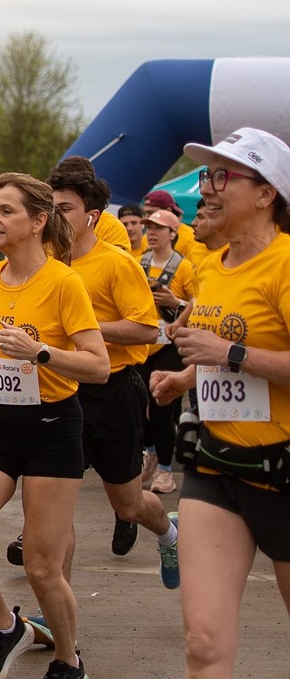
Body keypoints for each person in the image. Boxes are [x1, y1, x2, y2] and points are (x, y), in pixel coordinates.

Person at [0, 172, 109, 679]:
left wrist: (41, 352)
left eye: (6, 211)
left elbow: (98, 365)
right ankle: (7, 627)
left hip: (52, 428)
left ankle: (68, 659)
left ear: (37, 222)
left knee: (41, 567)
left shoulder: (64, 282)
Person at [150, 127, 290, 678]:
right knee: (203, 644)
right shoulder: (211, 264)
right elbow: (218, 349)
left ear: (266, 193)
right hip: (216, 467)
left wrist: (230, 353)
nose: (206, 187)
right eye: (208, 174)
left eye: (223, 175)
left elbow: (230, 349)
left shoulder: (285, 263)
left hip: (283, 472)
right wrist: (186, 376)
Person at [46, 157, 176, 589]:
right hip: (60, 388)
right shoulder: (47, 261)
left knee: (127, 504)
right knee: (53, 502)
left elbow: (146, 328)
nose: (55, 216)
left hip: (111, 390)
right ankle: (55, 608)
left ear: (92, 215)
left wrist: (85, 328)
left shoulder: (116, 263)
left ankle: (169, 533)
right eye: (51, 207)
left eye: (65, 208)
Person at [136, 208, 196, 495]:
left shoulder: (183, 267)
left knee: (161, 407)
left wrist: (176, 307)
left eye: (159, 228)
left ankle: (165, 471)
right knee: (139, 404)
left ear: (173, 233)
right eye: (149, 228)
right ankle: (150, 452)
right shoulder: (139, 263)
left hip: (171, 345)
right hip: (143, 343)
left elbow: (198, 302)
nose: (152, 233)